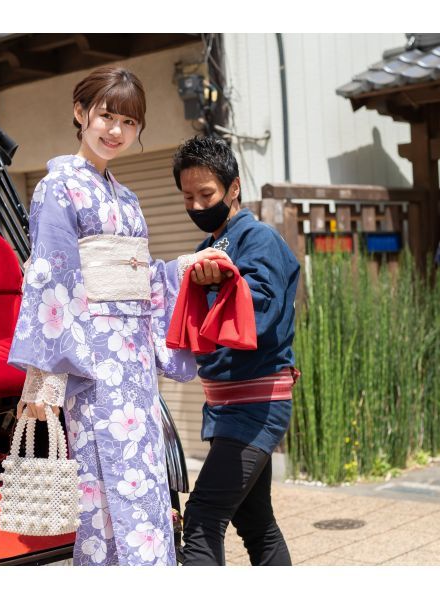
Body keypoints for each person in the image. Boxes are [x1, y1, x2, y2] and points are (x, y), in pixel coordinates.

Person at [7, 67, 228, 566]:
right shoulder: (57, 188)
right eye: (106, 115)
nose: (115, 131)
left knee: (145, 480)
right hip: (92, 362)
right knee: (103, 488)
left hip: (134, 366)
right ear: (80, 113)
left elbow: (142, 277)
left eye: (128, 122)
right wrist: (45, 380)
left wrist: (179, 269)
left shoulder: (127, 199)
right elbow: (51, 278)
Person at [172, 136, 300, 566]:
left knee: (204, 517)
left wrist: (218, 285)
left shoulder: (259, 238)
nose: (196, 205)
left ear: (234, 188)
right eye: (188, 197)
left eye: (206, 194)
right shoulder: (206, 249)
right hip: (226, 406)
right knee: (255, 521)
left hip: (255, 403)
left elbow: (260, 314)